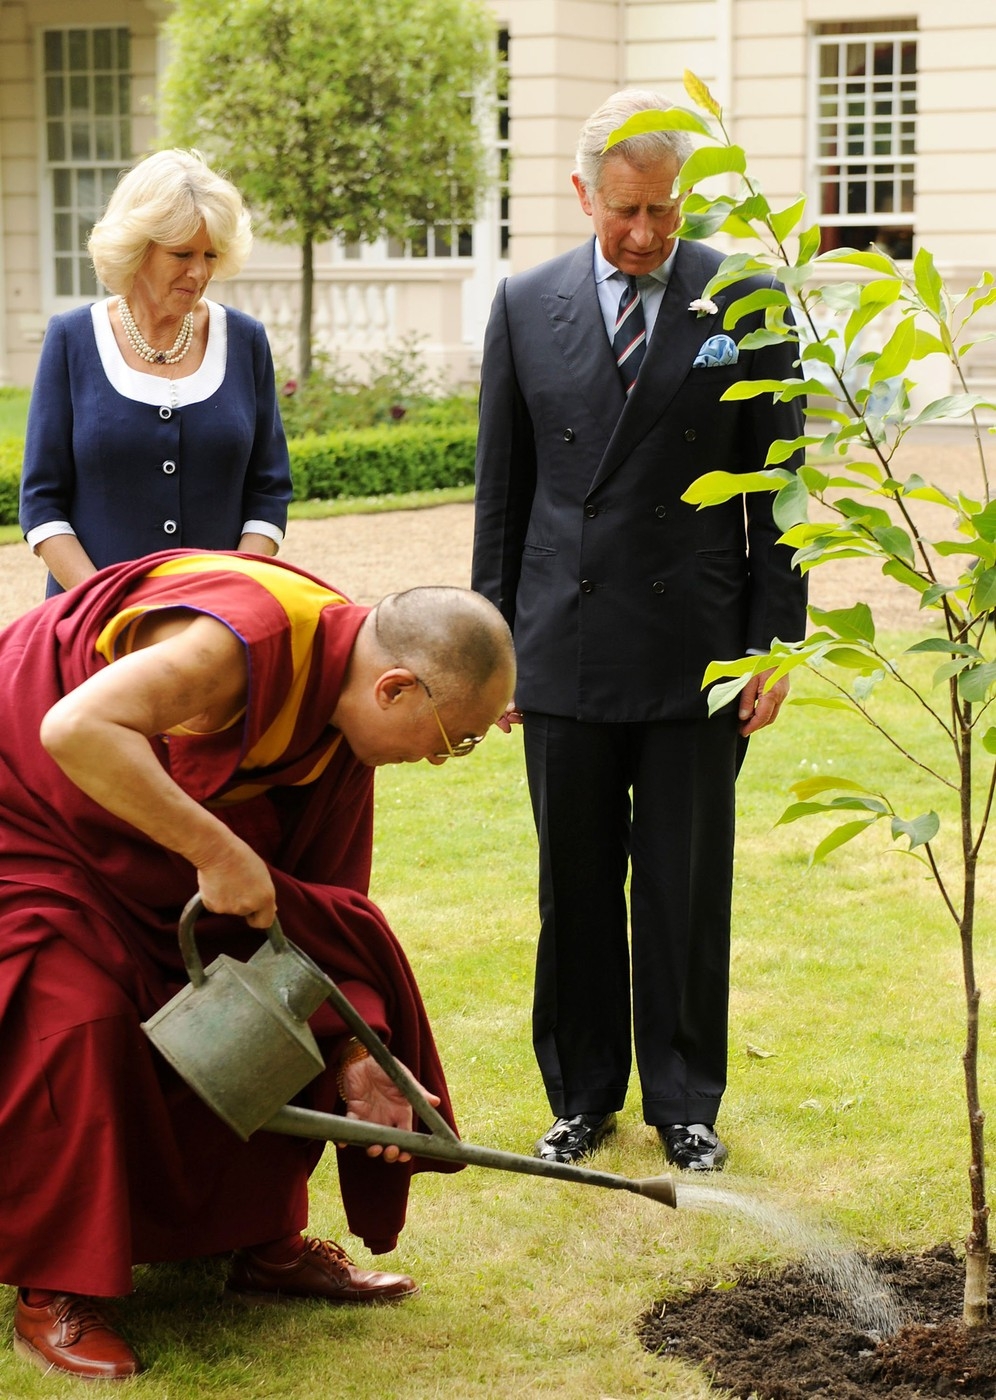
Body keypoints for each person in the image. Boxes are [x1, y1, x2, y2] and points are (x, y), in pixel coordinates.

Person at [0, 548, 515, 1380]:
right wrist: (215, 850)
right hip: (30, 815)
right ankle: (51, 1286)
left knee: (288, 992)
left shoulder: (341, 711)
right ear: (396, 689)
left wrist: (357, 1051)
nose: (434, 761)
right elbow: (73, 728)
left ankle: (261, 1244)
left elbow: (319, 910)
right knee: (80, 1008)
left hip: (148, 832)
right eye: (450, 742)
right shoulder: (244, 643)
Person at [471, 89, 808, 1175]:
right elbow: (502, 495)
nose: (647, 234)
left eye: (664, 211)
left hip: (697, 647)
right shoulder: (524, 305)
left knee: (683, 882)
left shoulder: (746, 297)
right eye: (625, 210)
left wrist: (775, 645)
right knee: (574, 884)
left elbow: (783, 494)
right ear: (584, 194)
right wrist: (490, 649)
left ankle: (686, 1100)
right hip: (561, 646)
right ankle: (580, 1095)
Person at [19, 149, 292, 597]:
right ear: (138, 249)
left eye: (210, 254)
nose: (199, 271)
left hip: (217, 623)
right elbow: (42, 502)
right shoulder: (72, 338)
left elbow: (268, 490)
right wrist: (101, 607)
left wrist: (231, 591)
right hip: (94, 623)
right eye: (181, 253)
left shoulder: (244, 340)